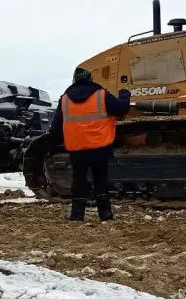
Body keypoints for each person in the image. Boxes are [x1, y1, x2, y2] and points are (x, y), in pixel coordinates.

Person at [48, 67, 131, 221]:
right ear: (91, 79)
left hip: (77, 149)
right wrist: (124, 94)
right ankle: (105, 214)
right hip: (100, 147)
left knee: (78, 180)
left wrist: (52, 146)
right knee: (101, 179)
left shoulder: (64, 99)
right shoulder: (101, 95)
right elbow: (121, 109)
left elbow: (55, 128)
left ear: (74, 80)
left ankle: (77, 215)